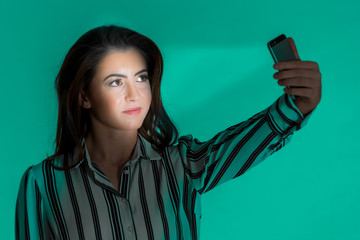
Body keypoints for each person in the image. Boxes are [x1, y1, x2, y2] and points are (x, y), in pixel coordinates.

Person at [15, 25, 322, 240]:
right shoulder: (42, 184)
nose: (134, 94)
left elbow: (247, 140)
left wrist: (298, 105)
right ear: (84, 96)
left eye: (141, 77)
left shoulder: (181, 165)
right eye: (115, 82)